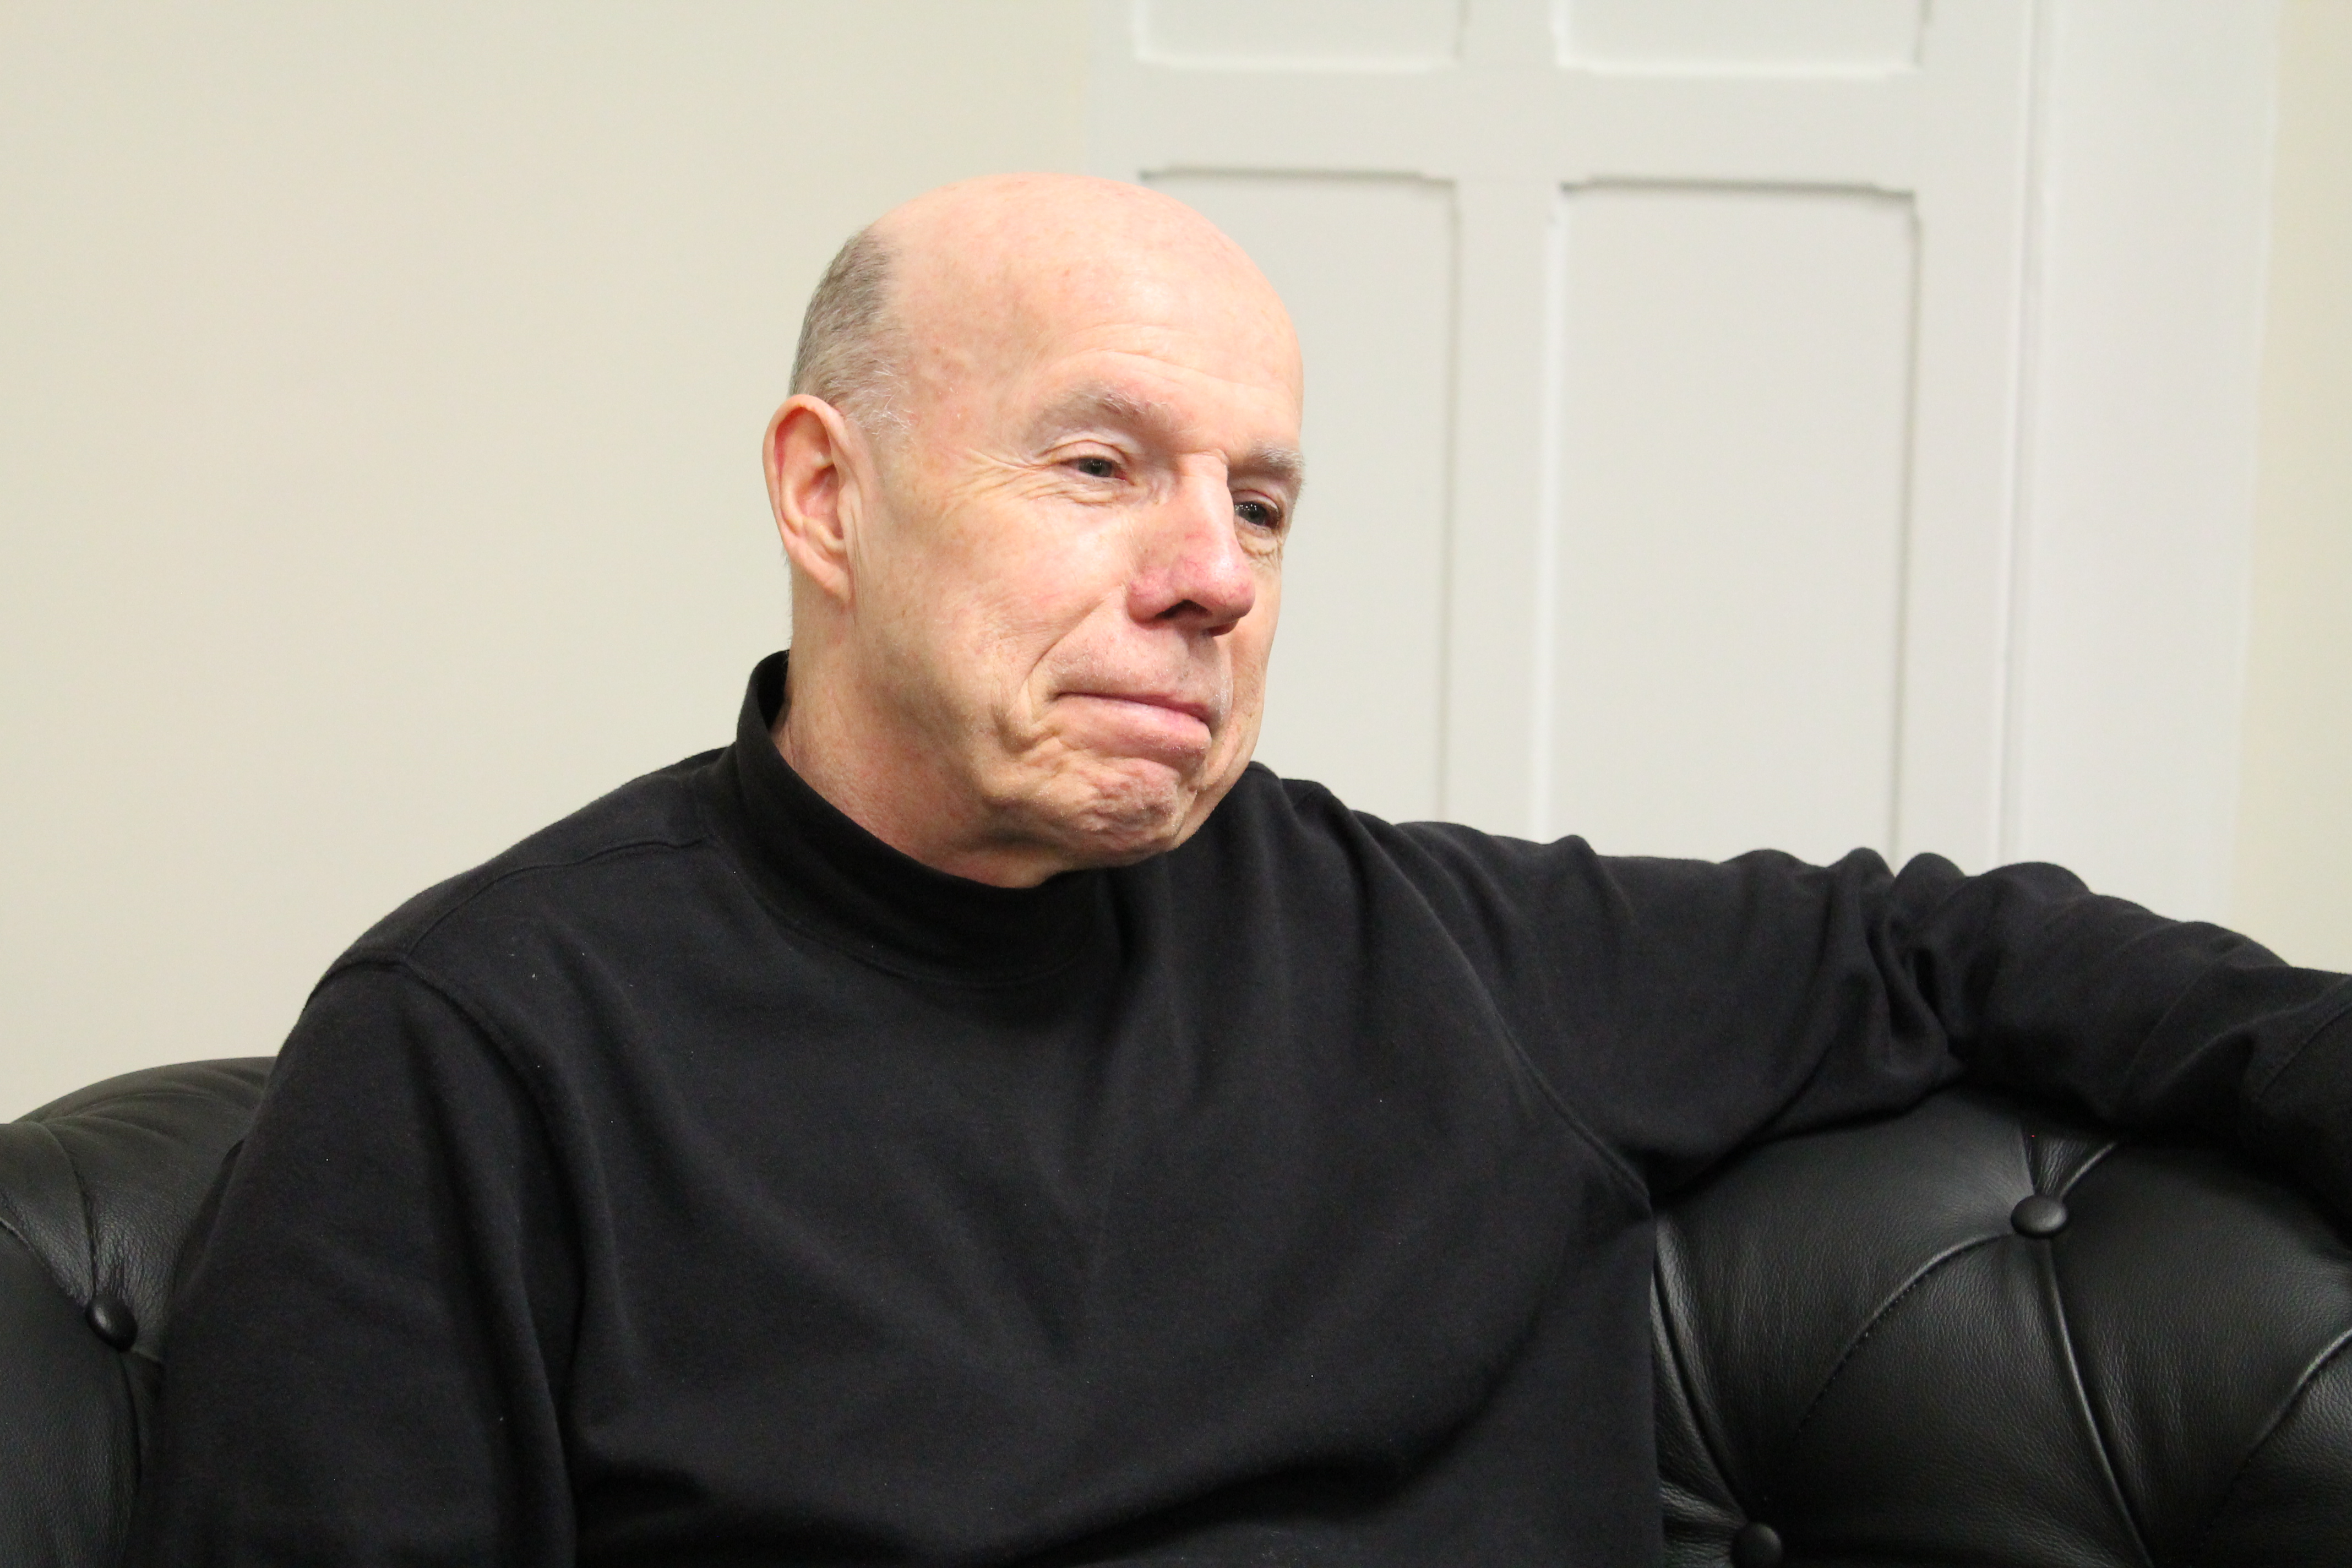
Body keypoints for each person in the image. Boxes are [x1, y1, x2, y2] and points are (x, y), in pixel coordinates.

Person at [133, 172, 2352, 1565]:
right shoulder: (476, 1052)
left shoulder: (1442, 953)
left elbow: (1950, 947)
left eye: (1263, 504)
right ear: (827, 496)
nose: (1213, 574)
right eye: (1102, 464)